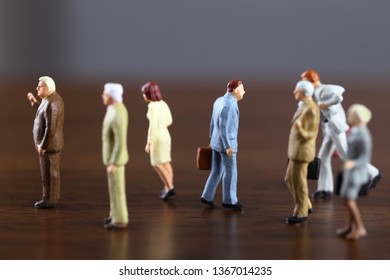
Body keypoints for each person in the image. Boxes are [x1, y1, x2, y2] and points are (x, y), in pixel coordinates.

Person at [301, 70, 382, 199]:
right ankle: (325, 189)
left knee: (346, 155)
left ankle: (374, 173)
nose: (302, 82)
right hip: (329, 129)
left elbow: (339, 95)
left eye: (304, 80)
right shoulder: (314, 93)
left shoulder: (324, 89)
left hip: (336, 128)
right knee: (323, 157)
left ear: (311, 79)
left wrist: (325, 104)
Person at [200, 80, 245, 210]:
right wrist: (227, 146)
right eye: (242, 89)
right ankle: (229, 200)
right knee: (231, 172)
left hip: (215, 142)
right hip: (227, 145)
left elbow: (212, 123)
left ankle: (207, 196)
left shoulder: (219, 100)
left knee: (216, 170)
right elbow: (222, 127)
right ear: (236, 90)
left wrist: (211, 139)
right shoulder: (229, 105)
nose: (244, 92)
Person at [285, 81, 320, 223]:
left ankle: (301, 213)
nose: (294, 92)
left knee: (300, 182)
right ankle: (306, 205)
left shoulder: (311, 109)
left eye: (296, 90)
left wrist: (300, 129)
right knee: (289, 179)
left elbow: (311, 134)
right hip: (295, 151)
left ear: (304, 93)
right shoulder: (303, 106)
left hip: (302, 152)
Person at [27, 76, 64, 209]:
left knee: (50, 173)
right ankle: (48, 197)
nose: (37, 88)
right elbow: (42, 112)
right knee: (48, 173)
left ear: (48, 88)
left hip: (49, 146)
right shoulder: (48, 99)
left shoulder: (52, 103)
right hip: (46, 146)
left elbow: (50, 128)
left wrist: (43, 145)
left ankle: (50, 199)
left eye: (40, 86)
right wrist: (34, 102)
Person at [337, 104, 372, 240]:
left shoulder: (364, 136)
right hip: (350, 172)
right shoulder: (356, 131)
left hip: (356, 173)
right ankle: (350, 227)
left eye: (351, 114)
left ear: (358, 118)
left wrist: (352, 163)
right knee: (346, 200)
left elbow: (364, 158)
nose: (348, 116)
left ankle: (360, 227)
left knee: (350, 201)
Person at [141, 82, 175, 200]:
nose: (143, 96)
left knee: (156, 163)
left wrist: (149, 142)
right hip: (166, 134)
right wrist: (162, 125)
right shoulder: (163, 104)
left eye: (145, 94)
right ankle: (167, 186)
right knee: (166, 162)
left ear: (150, 94)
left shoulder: (152, 107)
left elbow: (152, 126)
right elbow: (170, 120)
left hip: (157, 136)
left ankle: (169, 187)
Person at [101, 83, 129, 230]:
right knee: (113, 189)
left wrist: (114, 161)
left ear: (111, 96)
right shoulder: (113, 109)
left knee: (117, 190)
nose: (103, 96)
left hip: (116, 160)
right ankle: (114, 214)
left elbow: (120, 141)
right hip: (111, 159)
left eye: (105, 94)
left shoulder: (118, 113)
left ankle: (120, 219)